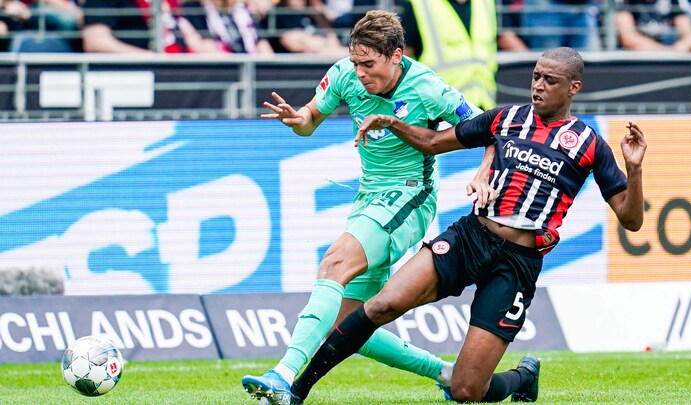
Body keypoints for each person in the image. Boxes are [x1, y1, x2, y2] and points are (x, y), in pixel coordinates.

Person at [285, 46, 648, 403]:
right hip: (471, 237)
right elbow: (432, 142)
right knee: (382, 305)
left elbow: (631, 220)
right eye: (536, 76)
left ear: (573, 88)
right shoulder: (505, 118)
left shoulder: (589, 144)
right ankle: (296, 389)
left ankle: (523, 377)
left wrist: (634, 170)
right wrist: (393, 122)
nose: (538, 86)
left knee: (466, 390)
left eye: (550, 80)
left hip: (516, 264)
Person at [241, 9, 493, 405]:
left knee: (334, 263)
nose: (359, 73)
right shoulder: (344, 73)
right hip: (368, 195)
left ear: (396, 56)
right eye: (355, 62)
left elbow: (490, 128)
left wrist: (482, 174)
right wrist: (298, 118)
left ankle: (283, 375)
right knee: (345, 324)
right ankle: (446, 374)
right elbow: (310, 119)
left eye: (369, 64)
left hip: (410, 195)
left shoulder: (428, 87)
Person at [400, 0, 497, 111]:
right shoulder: (418, 4)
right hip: (440, 109)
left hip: (485, 106)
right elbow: (402, 58)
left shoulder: (486, 3)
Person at [82, 0, 222, 53]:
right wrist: (148, 57)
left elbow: (198, 43)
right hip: (141, 77)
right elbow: (95, 42)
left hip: (182, 72)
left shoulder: (173, 4)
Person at [615, 0, 691, 54]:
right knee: (640, 48)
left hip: (671, 48)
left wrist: (680, 47)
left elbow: (690, 36)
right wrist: (664, 50)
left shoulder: (673, 2)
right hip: (641, 52)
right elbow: (628, 39)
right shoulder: (626, 2)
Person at [183, 0, 274, 54]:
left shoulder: (243, 9)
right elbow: (203, 45)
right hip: (221, 68)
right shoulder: (195, 9)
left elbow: (262, 44)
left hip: (249, 64)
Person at [260, 0, 347, 56]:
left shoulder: (315, 11)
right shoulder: (278, 12)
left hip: (325, 60)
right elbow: (293, 45)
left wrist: (311, 41)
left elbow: (333, 40)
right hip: (295, 68)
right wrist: (322, 43)